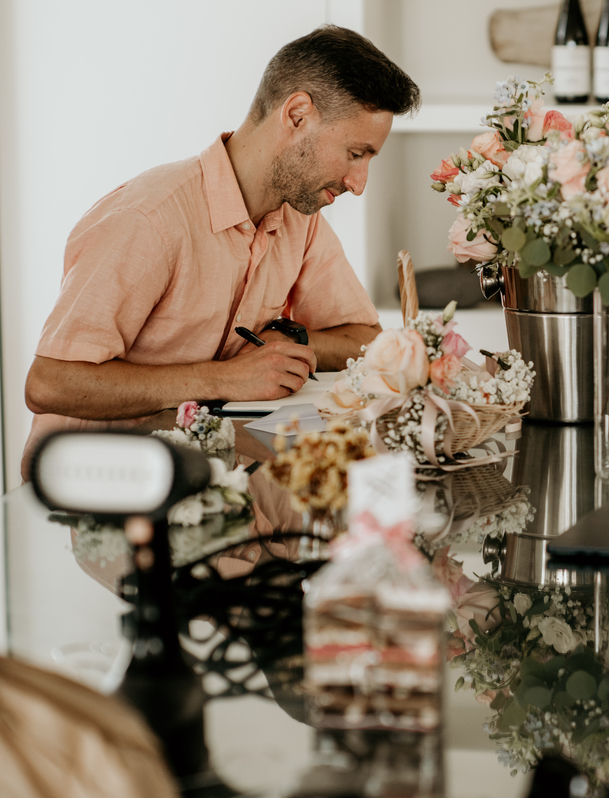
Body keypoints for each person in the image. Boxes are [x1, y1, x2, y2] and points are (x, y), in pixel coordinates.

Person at [21, 25, 419, 479]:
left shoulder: (299, 219)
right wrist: (227, 377)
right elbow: (50, 382)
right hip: (102, 485)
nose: (359, 183)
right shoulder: (148, 218)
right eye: (355, 153)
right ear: (297, 115)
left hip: (213, 477)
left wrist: (291, 341)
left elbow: (364, 337)